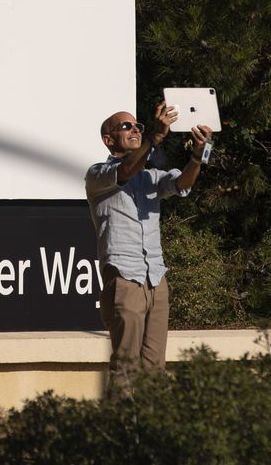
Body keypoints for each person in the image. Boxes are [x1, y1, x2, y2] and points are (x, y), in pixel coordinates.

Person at [84, 103, 213, 393]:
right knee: (126, 367)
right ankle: (122, 433)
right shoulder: (98, 175)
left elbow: (182, 184)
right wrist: (153, 138)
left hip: (156, 279)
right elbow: (126, 171)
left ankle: (152, 434)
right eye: (126, 127)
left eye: (138, 127)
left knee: (155, 369)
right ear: (108, 139)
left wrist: (198, 155)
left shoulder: (150, 177)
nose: (134, 131)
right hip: (125, 278)